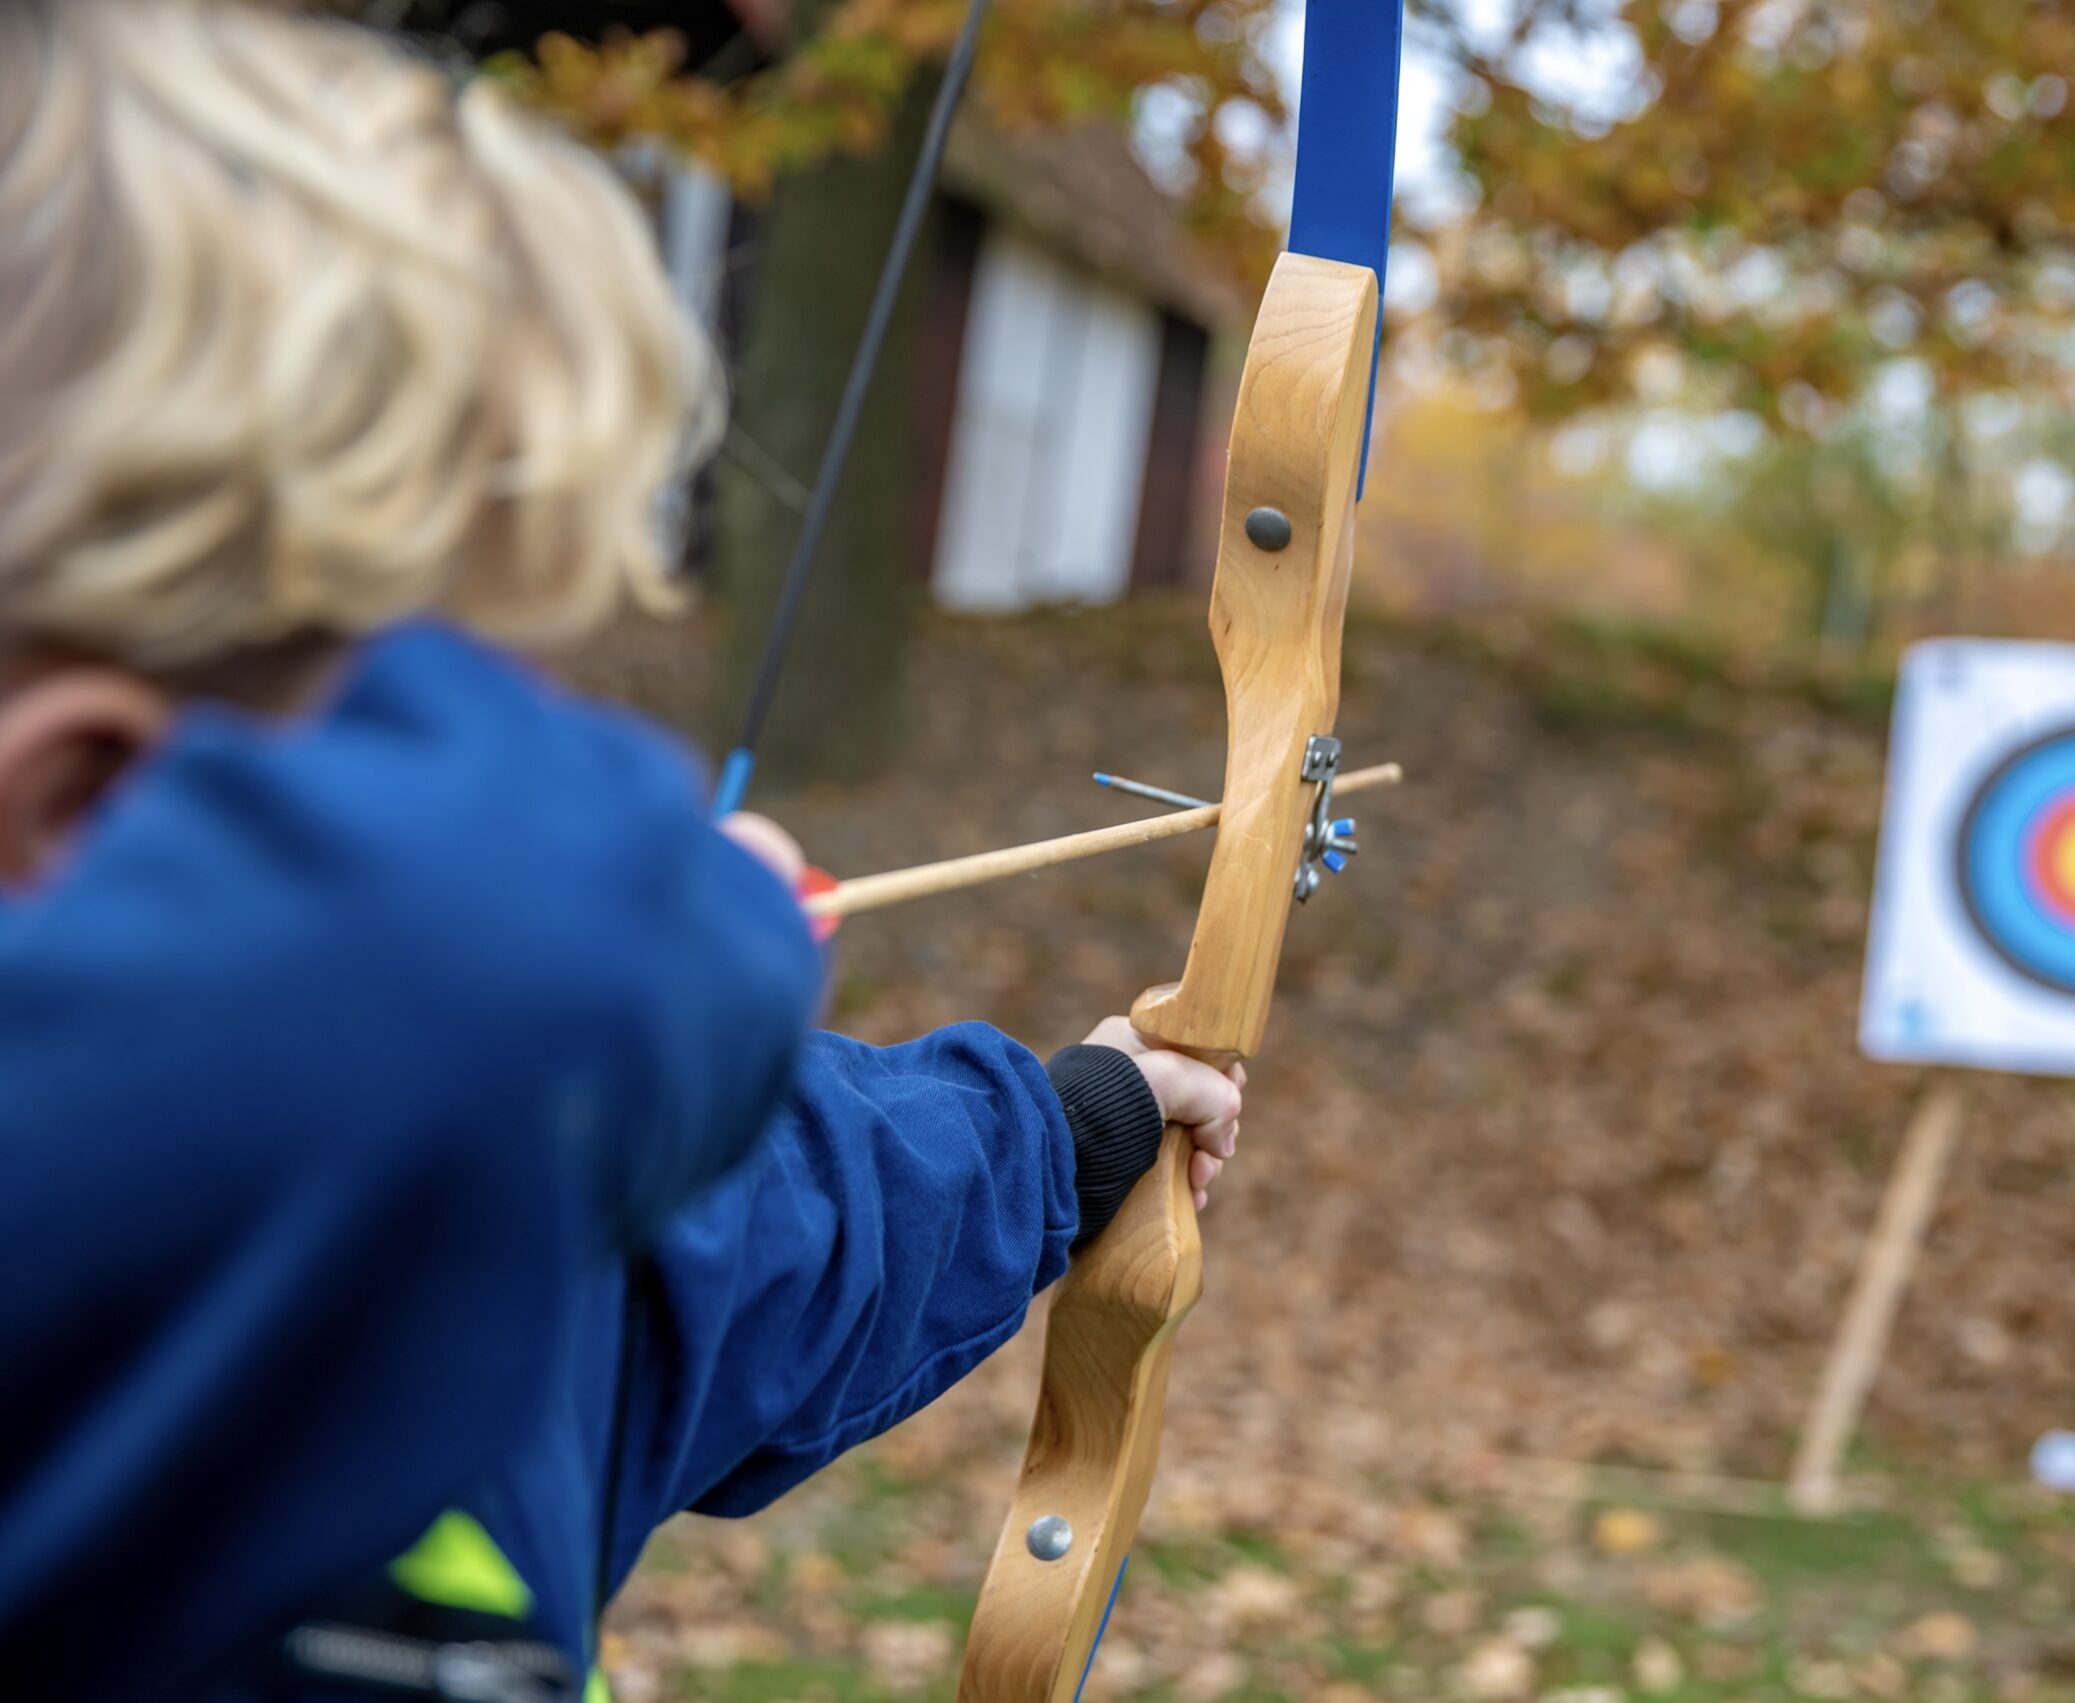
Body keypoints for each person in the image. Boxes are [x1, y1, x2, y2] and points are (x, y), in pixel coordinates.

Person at [0, 2, 1241, 1695]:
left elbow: (778, 1221)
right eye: (448, 716)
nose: (544, 766)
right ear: (88, 809)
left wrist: (1071, 1126)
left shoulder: (467, 1203)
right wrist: (687, 925)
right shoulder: (284, 1157)